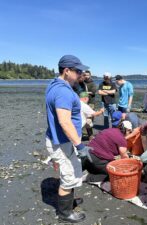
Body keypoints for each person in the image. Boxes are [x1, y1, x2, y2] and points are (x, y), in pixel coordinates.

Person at [45, 55, 92, 223]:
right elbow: (64, 121)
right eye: (77, 71)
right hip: (62, 142)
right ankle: (64, 213)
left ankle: (69, 202)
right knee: (68, 175)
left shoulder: (55, 85)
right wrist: (80, 146)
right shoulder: (63, 91)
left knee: (72, 170)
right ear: (67, 71)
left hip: (62, 140)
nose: (81, 73)